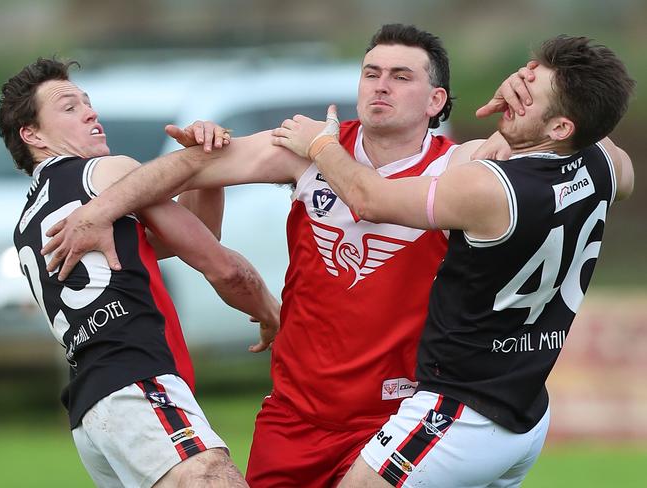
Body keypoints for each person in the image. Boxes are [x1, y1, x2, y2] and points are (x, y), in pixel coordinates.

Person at [39, 25, 530, 486]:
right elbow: (190, 168)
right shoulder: (306, 149)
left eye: (401, 77)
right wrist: (101, 209)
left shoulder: (460, 165)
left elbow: (559, 147)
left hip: (398, 412)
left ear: (435, 100)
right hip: (295, 415)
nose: (381, 86)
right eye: (371, 73)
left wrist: (527, 103)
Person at [271, 35, 635, 487]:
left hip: (458, 412)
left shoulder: (490, 188)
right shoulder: (606, 165)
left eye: (526, 96)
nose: (513, 97)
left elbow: (368, 197)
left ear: (561, 128)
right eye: (521, 80)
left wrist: (319, 146)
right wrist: (553, 101)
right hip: (526, 411)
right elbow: (598, 133)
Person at [0, 57, 281, 488]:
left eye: (88, 102)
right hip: (136, 384)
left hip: (91, 415)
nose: (91, 112)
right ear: (31, 134)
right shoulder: (102, 173)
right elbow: (224, 268)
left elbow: (193, 237)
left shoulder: (27, 225)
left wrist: (208, 175)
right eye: (69, 107)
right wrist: (273, 315)